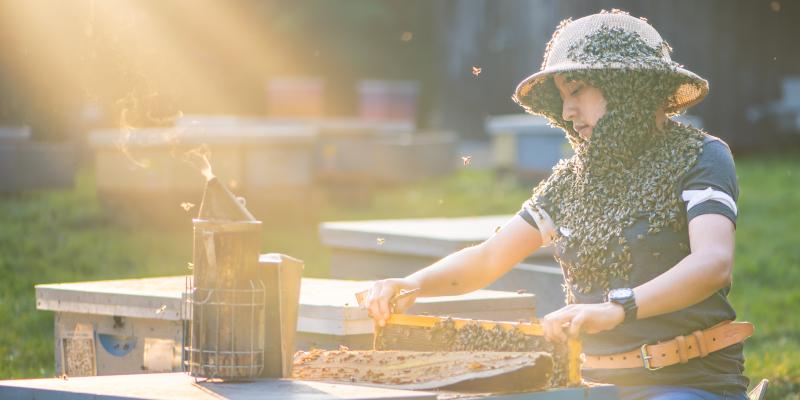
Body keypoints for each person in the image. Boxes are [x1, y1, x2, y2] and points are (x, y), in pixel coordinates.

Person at [364, 10, 753, 400]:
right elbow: (487, 259)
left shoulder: (701, 156)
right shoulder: (569, 183)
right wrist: (413, 283)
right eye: (562, 97)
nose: (567, 112)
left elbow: (712, 264)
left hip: (686, 382)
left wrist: (617, 308)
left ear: (626, 85)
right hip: (588, 387)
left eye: (577, 90)